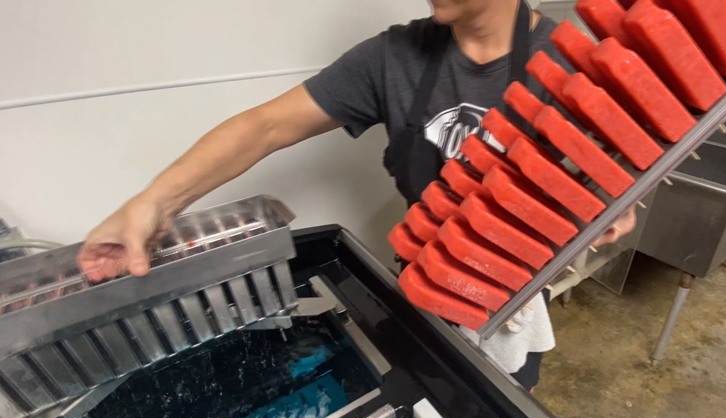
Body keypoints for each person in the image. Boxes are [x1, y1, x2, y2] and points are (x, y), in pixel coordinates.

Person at [76, 0, 635, 391]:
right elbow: (265, 125)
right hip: (425, 278)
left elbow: (608, 173)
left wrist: (613, 206)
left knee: (505, 415)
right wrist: (156, 201)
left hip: (512, 293)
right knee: (434, 399)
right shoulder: (393, 58)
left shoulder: (571, 63)